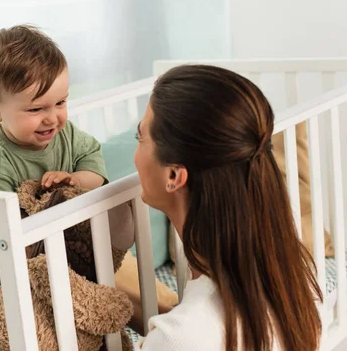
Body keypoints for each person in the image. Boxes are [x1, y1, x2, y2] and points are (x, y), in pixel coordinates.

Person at [132, 65, 322, 350]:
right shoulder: (294, 289)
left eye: (140, 137)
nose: (135, 154)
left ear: (174, 176)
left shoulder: (179, 337)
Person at [0, 25, 108, 316]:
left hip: (63, 253)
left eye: (60, 102)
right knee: (11, 327)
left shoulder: (66, 134)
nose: (52, 118)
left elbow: (95, 169)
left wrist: (74, 181)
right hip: (7, 265)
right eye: (36, 110)